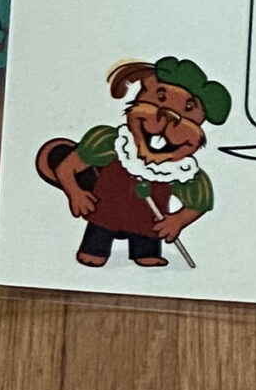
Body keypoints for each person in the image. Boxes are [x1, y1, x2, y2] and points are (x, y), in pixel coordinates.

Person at [33, 56, 230, 268]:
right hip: (105, 213)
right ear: (147, 87)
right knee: (99, 232)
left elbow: (198, 203)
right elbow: (68, 166)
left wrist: (177, 221)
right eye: (160, 97)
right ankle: (94, 249)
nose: (168, 117)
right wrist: (76, 193)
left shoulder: (181, 171)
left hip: (146, 224)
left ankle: (145, 252)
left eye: (189, 108)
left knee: (147, 233)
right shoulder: (111, 142)